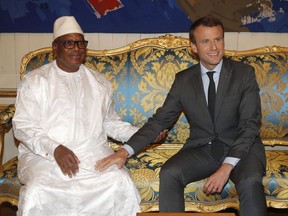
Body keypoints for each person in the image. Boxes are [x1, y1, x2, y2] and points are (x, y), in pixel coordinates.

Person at [96, 16, 267, 216]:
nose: (214, 47)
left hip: (242, 147)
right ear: (193, 47)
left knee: (249, 180)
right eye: (205, 41)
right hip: (204, 148)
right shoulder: (184, 80)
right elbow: (160, 120)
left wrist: (227, 166)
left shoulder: (244, 73)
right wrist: (124, 151)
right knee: (170, 173)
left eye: (218, 39)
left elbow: (250, 125)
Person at [12, 16, 166, 216]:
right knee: (38, 190)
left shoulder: (100, 83)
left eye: (81, 43)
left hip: (91, 153)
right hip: (43, 157)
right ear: (55, 47)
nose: (76, 48)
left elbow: (110, 123)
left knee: (119, 182)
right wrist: (55, 149)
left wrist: (146, 133)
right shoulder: (34, 81)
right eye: (69, 43)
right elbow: (23, 126)